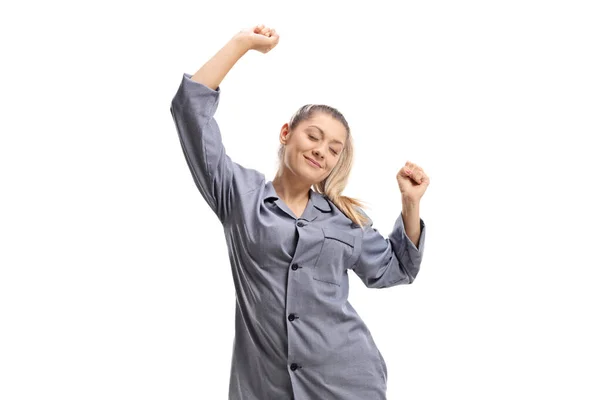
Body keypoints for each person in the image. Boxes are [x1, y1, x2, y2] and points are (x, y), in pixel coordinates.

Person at [170, 24, 429, 400]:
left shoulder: (344, 219)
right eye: (314, 136)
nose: (322, 150)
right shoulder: (239, 194)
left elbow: (396, 269)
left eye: (335, 148)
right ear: (286, 133)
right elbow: (190, 112)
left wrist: (410, 203)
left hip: (348, 382)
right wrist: (242, 44)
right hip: (265, 387)